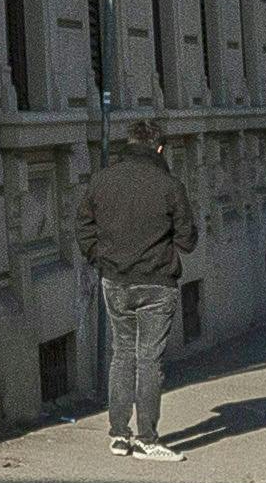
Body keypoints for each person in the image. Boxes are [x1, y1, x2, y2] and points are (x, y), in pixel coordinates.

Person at [71, 127, 196, 460]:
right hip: (157, 282)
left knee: (122, 354)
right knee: (149, 360)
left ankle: (118, 435)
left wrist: (99, 257)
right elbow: (188, 240)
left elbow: (83, 226)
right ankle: (147, 440)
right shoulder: (169, 185)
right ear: (159, 149)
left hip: (115, 280)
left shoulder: (102, 180)